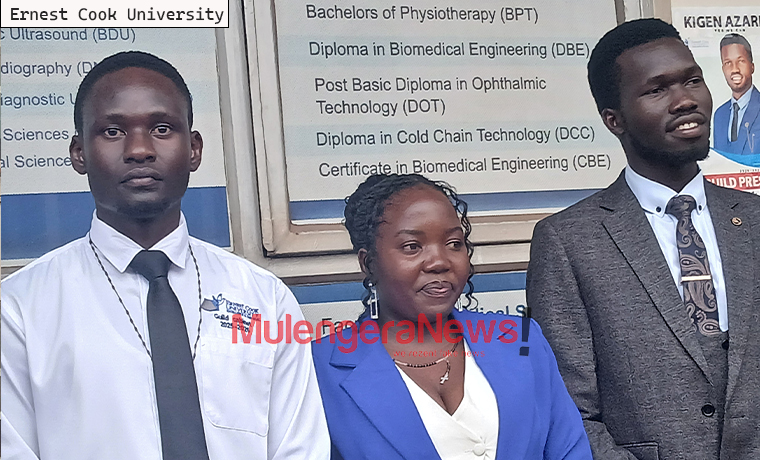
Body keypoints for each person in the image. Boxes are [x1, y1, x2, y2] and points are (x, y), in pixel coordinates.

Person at [0, 51, 329, 459]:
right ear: (79, 153)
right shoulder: (19, 310)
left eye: (161, 128)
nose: (139, 149)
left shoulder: (265, 299)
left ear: (194, 149)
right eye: (112, 131)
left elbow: (300, 449)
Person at [527, 19, 760, 460]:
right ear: (613, 120)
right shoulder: (568, 242)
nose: (686, 100)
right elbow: (567, 410)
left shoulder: (754, 220)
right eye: (657, 90)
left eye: (693, 80)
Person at [312, 173, 592, 460]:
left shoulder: (521, 339)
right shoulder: (319, 368)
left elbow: (570, 452)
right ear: (368, 262)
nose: (439, 262)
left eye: (454, 243)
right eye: (412, 247)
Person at [713, 33, 759, 155]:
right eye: (728, 63)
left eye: (741, 61)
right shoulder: (720, 115)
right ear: (723, 69)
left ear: (752, 67)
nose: (735, 69)